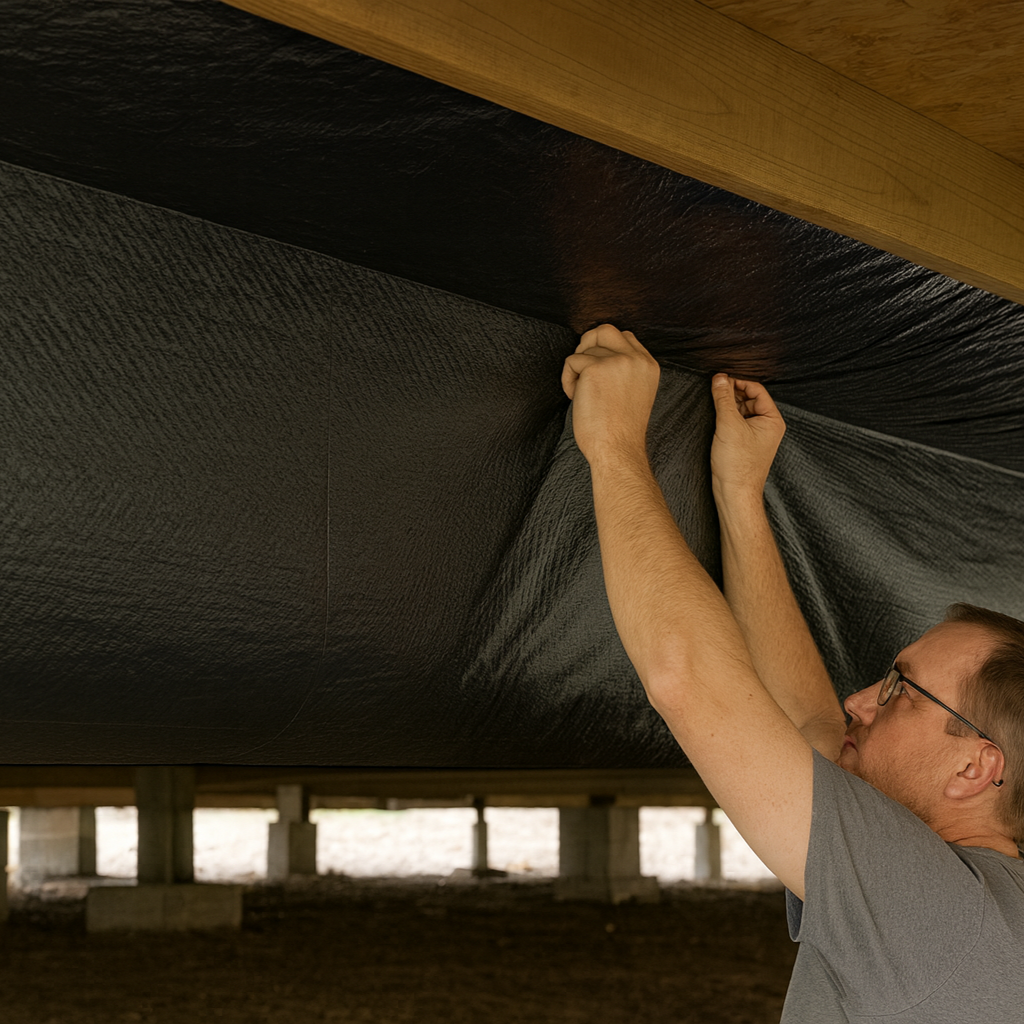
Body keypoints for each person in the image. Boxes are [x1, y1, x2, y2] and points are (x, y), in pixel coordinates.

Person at [561, 323, 1024, 1023]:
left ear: (974, 768)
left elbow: (688, 679)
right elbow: (810, 726)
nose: (859, 699)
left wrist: (614, 444)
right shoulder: (982, 908)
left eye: (902, 692)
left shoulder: (931, 910)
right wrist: (741, 494)